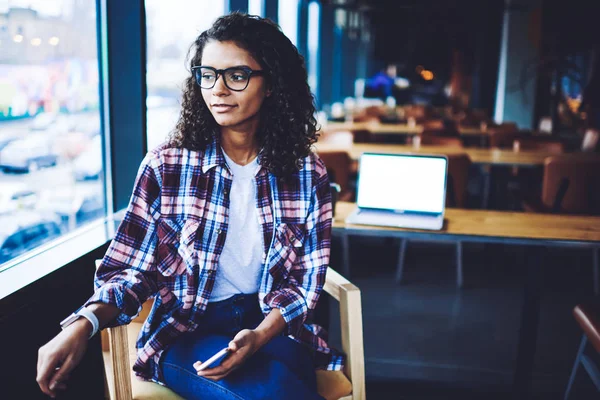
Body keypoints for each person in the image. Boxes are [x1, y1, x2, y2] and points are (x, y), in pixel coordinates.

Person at [36, 13, 343, 400]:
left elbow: (304, 280)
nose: (218, 89)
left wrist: (261, 334)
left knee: (290, 383)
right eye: (208, 74)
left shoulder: (306, 173)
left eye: (237, 75)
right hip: (188, 328)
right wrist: (81, 325)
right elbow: (132, 270)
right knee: (280, 391)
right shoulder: (167, 166)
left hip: (269, 321)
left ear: (272, 85)